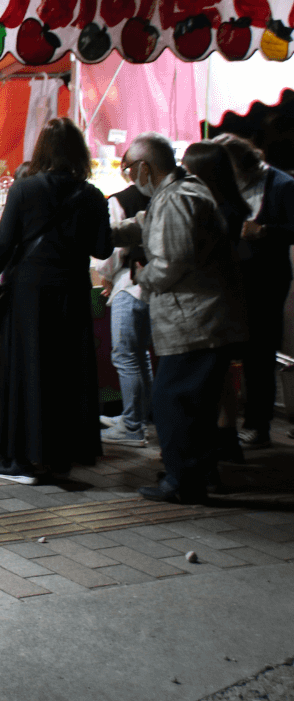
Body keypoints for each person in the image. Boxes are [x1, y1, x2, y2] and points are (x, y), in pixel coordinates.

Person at [0, 118, 110, 485]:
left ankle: (23, 460)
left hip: (29, 293)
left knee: (28, 371)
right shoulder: (92, 195)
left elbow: (3, 245)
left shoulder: (26, 189)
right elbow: (102, 248)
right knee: (67, 372)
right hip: (73, 291)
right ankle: (61, 455)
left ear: (41, 150)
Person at [114, 133, 246, 503]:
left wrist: (143, 277)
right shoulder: (179, 193)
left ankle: (183, 481)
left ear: (144, 167)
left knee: (175, 401)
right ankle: (195, 471)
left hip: (194, 321)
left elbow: (173, 261)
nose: (129, 177)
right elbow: (145, 223)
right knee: (194, 404)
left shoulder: (177, 198)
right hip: (201, 319)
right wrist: (108, 234)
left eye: (129, 169)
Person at [215, 133, 294, 450]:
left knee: (260, 353)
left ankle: (258, 425)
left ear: (244, 164)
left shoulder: (282, 184)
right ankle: (228, 424)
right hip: (232, 278)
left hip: (267, 280)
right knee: (232, 350)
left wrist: (265, 231)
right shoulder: (227, 185)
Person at [181, 140, 252, 465]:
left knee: (213, 377)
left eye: (188, 168)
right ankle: (228, 442)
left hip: (214, 301)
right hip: (230, 298)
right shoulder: (231, 206)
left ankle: (216, 446)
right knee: (222, 377)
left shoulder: (215, 210)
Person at [93, 167, 153, 448]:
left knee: (127, 356)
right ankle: (139, 417)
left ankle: (132, 425)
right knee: (140, 356)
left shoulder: (118, 201)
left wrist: (105, 273)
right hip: (150, 287)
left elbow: (110, 250)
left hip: (130, 286)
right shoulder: (160, 198)